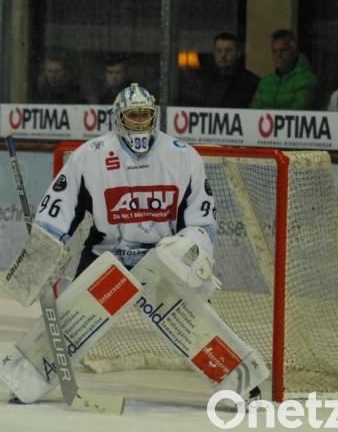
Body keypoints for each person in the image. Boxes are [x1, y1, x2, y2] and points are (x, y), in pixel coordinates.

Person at [36, 83, 216, 284]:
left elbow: (202, 222)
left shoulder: (183, 156)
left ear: (154, 116)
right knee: (79, 316)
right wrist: (43, 252)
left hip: (167, 262)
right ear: (118, 117)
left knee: (194, 316)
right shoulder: (90, 156)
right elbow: (60, 207)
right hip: (106, 258)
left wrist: (192, 248)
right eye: (133, 116)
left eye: (144, 115)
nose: (139, 123)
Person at [250, 29, 319, 110]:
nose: (278, 55)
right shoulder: (265, 82)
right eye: (275, 51)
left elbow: (297, 113)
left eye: (283, 51)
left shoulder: (307, 80)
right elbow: (253, 112)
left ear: (294, 52)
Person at [197, 33, 260, 108]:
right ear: (214, 53)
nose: (223, 55)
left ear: (238, 53)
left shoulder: (251, 82)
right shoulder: (206, 81)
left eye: (228, 51)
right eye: (219, 51)